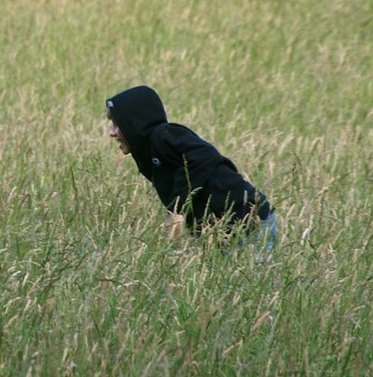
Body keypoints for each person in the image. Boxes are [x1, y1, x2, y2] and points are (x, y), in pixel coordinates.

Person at [105, 85, 276, 252]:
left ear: (134, 123)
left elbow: (207, 155)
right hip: (221, 236)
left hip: (251, 222)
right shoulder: (146, 154)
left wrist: (178, 207)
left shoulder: (164, 135)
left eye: (117, 125)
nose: (112, 133)